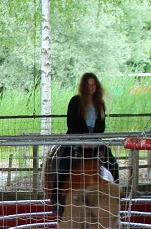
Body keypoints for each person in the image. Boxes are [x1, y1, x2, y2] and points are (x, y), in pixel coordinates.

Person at [51, 73, 120, 219]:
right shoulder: (75, 101)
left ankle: (118, 196)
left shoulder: (99, 103)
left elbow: (101, 126)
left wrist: (95, 140)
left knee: (114, 164)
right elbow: (71, 123)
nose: (91, 88)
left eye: (94, 85)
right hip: (75, 139)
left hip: (94, 140)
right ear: (84, 86)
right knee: (62, 167)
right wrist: (82, 140)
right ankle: (56, 200)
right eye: (89, 85)